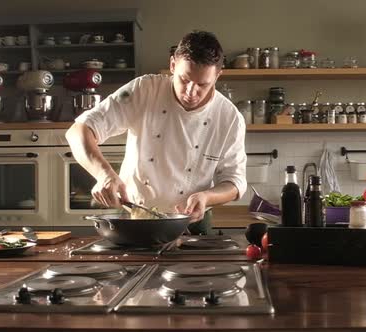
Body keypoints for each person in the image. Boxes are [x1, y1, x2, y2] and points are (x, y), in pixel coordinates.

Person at [65, 30, 247, 235]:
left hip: (191, 223)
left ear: (217, 76)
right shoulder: (144, 90)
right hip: (137, 217)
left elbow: (235, 182)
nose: (190, 92)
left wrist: (207, 197)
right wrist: (104, 174)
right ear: (172, 66)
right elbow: (79, 130)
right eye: (184, 80)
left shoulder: (229, 118)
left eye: (202, 85)